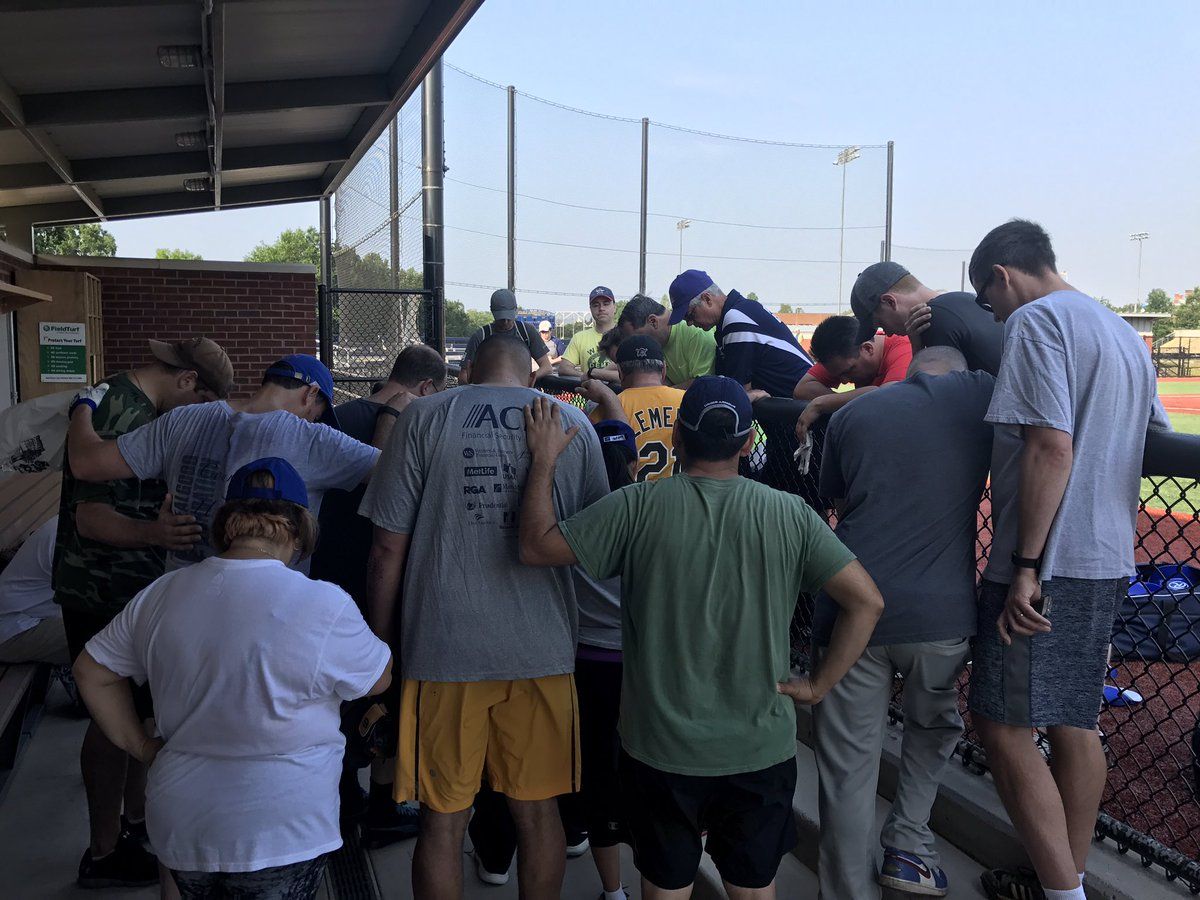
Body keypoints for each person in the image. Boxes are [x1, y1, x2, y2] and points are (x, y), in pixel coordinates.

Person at [518, 376, 885, 899]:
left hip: (660, 749)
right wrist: (818, 684)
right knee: (754, 887)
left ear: (677, 440)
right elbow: (867, 602)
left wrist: (544, 459)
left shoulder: (637, 506)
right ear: (746, 443)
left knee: (665, 885)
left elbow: (535, 547)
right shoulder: (790, 514)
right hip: (759, 747)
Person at [73, 457, 391, 900]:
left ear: (227, 524)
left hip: (184, 823)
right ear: (299, 529)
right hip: (284, 827)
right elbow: (376, 680)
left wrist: (140, 746)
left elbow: (91, 671)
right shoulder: (324, 603)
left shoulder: (162, 593)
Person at [360, 335, 608, 900]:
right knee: (539, 814)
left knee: (442, 821)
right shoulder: (574, 425)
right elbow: (593, 547)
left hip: (444, 651)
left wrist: (380, 645)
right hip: (543, 652)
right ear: (531, 376)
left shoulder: (423, 416)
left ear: (467, 369)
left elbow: (385, 550)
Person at [965, 220, 1170, 900]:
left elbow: (1050, 445)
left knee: (1001, 723)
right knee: (1073, 718)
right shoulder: (1120, 332)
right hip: (1108, 550)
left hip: (1049, 560)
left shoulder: (1035, 322)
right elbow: (1156, 436)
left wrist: (1025, 563)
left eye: (987, 299)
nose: (993, 314)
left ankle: (1063, 895)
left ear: (1002, 274)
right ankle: (1066, 878)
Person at [811, 347, 994, 899]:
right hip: (940, 612)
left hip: (851, 605)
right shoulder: (978, 394)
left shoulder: (851, 414)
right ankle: (910, 846)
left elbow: (834, 500)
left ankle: (848, 891)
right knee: (933, 730)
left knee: (847, 766)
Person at [56, 336, 234, 890]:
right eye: (198, 404)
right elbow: (90, 517)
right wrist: (155, 533)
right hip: (101, 589)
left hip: (133, 589)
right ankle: (103, 853)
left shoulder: (128, 403)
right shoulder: (119, 408)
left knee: (138, 715)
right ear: (186, 382)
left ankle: (132, 826)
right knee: (111, 722)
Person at [65, 354, 393, 575]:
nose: (314, 418)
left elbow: (86, 463)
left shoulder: (181, 420)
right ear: (311, 394)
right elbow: (398, 472)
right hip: (271, 612)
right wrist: (392, 416)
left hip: (185, 603)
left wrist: (83, 407)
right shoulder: (313, 439)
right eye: (318, 411)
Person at [309, 344, 447, 844]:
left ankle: (342, 801)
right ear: (426, 387)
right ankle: (385, 806)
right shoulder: (419, 424)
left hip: (329, 575)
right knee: (389, 689)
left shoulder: (341, 415)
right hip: (384, 580)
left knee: (334, 695)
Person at [849, 261, 1004, 376]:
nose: (888, 334)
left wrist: (917, 349)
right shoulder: (965, 299)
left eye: (880, 323)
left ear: (890, 301)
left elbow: (925, 402)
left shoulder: (932, 320)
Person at [578, 335, 685, 482]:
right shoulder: (687, 401)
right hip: (683, 498)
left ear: (620, 373)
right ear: (664, 369)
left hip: (632, 501)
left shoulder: (607, 407)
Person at [792, 315, 913, 441]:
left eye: (849, 370)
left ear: (867, 348)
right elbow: (802, 389)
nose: (844, 381)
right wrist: (844, 402)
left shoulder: (903, 347)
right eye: (838, 375)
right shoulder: (839, 357)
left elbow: (889, 394)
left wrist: (822, 403)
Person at [610, 294, 716, 388]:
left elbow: (704, 384)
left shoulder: (696, 331)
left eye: (638, 337)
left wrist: (662, 394)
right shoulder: (659, 341)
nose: (637, 344)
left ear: (653, 321)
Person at [0, 516, 67, 665]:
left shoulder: (76, 522)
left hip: (33, 616)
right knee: (107, 639)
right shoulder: (67, 540)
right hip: (13, 629)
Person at [459, 289, 551, 385]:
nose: (505, 322)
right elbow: (463, 375)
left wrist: (528, 379)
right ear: (492, 311)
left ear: (515, 310)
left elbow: (547, 367)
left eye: (509, 317)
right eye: (501, 318)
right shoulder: (481, 335)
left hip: (519, 390)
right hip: (488, 392)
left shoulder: (526, 331)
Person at [560, 286, 619, 379]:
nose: (601, 308)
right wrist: (587, 376)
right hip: (590, 392)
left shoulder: (627, 335)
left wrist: (594, 374)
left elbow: (633, 375)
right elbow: (564, 368)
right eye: (596, 305)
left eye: (606, 304)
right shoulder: (579, 338)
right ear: (590, 309)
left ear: (615, 307)